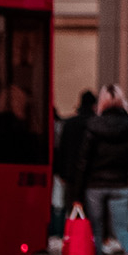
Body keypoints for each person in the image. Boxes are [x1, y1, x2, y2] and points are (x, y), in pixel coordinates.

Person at [70, 83, 128, 255]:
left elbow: (82, 162)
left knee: (96, 231)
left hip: (94, 185)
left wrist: (76, 194)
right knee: (121, 229)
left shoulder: (93, 125)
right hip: (120, 184)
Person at [51, 89, 96, 242]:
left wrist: (62, 172)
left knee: (73, 208)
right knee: (91, 210)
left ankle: (75, 240)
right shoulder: (95, 123)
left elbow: (62, 149)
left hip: (71, 173)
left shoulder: (69, 124)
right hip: (91, 173)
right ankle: (89, 240)